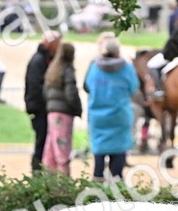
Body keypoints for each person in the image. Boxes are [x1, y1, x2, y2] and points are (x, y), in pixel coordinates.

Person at [82, 34, 139, 181]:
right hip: (120, 116)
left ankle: (97, 183)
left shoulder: (94, 67)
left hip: (98, 117)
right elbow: (134, 87)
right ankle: (117, 187)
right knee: (118, 153)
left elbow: (87, 86)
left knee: (99, 154)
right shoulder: (126, 68)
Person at [24, 30, 62, 171]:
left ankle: (40, 172)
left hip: (41, 108)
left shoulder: (44, 59)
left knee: (44, 142)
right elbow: (36, 86)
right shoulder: (38, 60)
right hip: (39, 109)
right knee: (41, 142)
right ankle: (37, 173)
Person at [42, 43, 80, 176]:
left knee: (51, 150)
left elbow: (45, 92)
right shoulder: (67, 70)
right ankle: (64, 183)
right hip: (64, 114)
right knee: (62, 150)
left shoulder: (52, 69)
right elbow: (71, 93)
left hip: (52, 113)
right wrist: (77, 108)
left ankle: (47, 180)